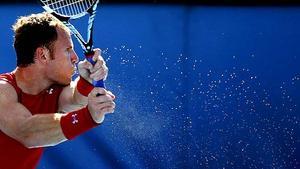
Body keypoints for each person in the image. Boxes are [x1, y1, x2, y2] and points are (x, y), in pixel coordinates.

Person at [0, 12, 116, 169]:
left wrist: (87, 80)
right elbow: (26, 131)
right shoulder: (2, 90)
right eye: (68, 49)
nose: (75, 58)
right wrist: (88, 116)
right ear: (43, 55)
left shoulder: (53, 89)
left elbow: (76, 99)